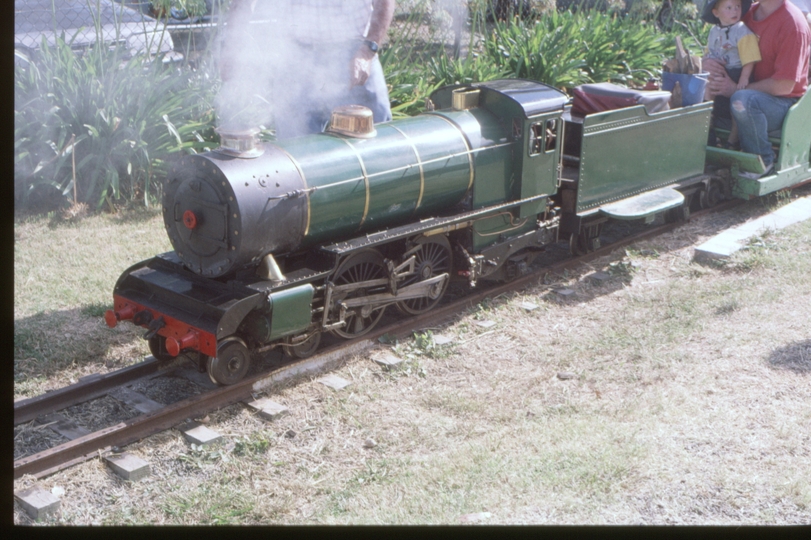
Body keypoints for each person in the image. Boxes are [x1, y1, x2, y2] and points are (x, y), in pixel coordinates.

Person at [219, 0, 395, 140]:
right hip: (296, 60)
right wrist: (232, 48)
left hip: (355, 56)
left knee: (381, 144)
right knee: (297, 157)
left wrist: (367, 51)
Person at [704, 0, 810, 177]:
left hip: (784, 102)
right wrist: (708, 62)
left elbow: (785, 85)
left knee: (743, 101)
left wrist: (734, 90)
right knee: (698, 88)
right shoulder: (744, 13)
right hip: (744, 88)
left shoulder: (793, 23)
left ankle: (762, 159)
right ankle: (707, 147)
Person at [702, 0, 762, 147]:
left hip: (737, 71)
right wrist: (706, 62)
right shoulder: (714, 31)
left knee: (736, 101)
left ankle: (733, 139)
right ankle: (707, 125)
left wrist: (744, 77)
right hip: (720, 69)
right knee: (707, 89)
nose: (735, 11)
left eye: (737, 7)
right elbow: (709, 52)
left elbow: (750, 59)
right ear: (716, 13)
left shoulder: (742, 31)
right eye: (729, 8)